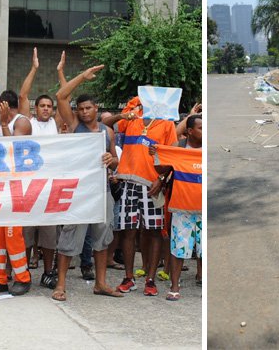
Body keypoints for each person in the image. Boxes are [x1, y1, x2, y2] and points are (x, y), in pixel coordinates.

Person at [48, 64, 123, 301]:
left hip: (101, 191)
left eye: (88, 108)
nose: (84, 112)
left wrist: (111, 159)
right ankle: (61, 285)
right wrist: (82, 76)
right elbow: (61, 96)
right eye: (80, 109)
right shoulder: (74, 125)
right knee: (70, 237)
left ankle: (100, 283)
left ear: (96, 108)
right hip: (78, 192)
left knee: (102, 238)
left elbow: (116, 162)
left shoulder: (107, 132)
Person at [102, 95, 177, 296]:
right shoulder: (132, 117)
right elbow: (105, 125)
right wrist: (122, 115)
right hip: (128, 182)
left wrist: (161, 179)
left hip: (152, 184)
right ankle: (129, 277)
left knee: (154, 231)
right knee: (128, 231)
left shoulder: (167, 123)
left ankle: (150, 280)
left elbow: (172, 156)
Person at [17, 48, 61, 288]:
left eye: (48, 106)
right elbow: (23, 96)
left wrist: (60, 72)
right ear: (35, 109)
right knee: (26, 234)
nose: (45, 108)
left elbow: (64, 97)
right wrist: (34, 68)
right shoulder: (28, 123)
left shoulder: (56, 123)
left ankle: (48, 273)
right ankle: (23, 273)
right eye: (42, 105)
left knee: (49, 235)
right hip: (28, 187)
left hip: (49, 188)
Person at [0, 97, 33, 296]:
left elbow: (13, 149)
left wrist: (4, 125)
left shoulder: (21, 122)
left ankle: (23, 278)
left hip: (15, 189)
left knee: (13, 237)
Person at [156, 114, 201, 301]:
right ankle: (174, 286)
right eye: (200, 128)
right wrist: (157, 154)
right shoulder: (179, 148)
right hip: (182, 208)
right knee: (178, 248)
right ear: (189, 131)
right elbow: (162, 170)